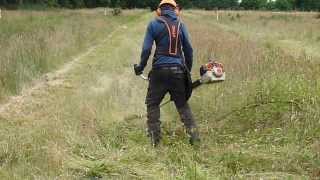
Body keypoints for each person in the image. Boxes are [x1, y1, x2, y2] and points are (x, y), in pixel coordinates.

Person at [134, 0, 200, 147]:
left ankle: (155, 142)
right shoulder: (181, 25)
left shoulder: (153, 24)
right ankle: (195, 140)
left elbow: (146, 50)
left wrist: (140, 67)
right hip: (178, 72)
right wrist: (186, 71)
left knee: (153, 104)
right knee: (182, 105)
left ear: (159, 10)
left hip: (158, 72)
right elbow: (189, 50)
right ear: (174, 9)